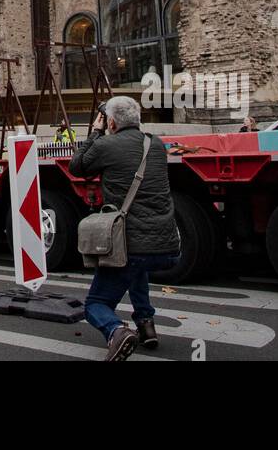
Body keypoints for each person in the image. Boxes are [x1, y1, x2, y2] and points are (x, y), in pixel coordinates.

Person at [69, 97, 180, 362]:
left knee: (95, 304)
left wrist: (96, 131)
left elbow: (77, 166)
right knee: (135, 267)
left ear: (111, 121)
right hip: (165, 245)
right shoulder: (155, 143)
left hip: (127, 240)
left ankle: (116, 332)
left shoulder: (107, 144)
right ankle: (146, 324)